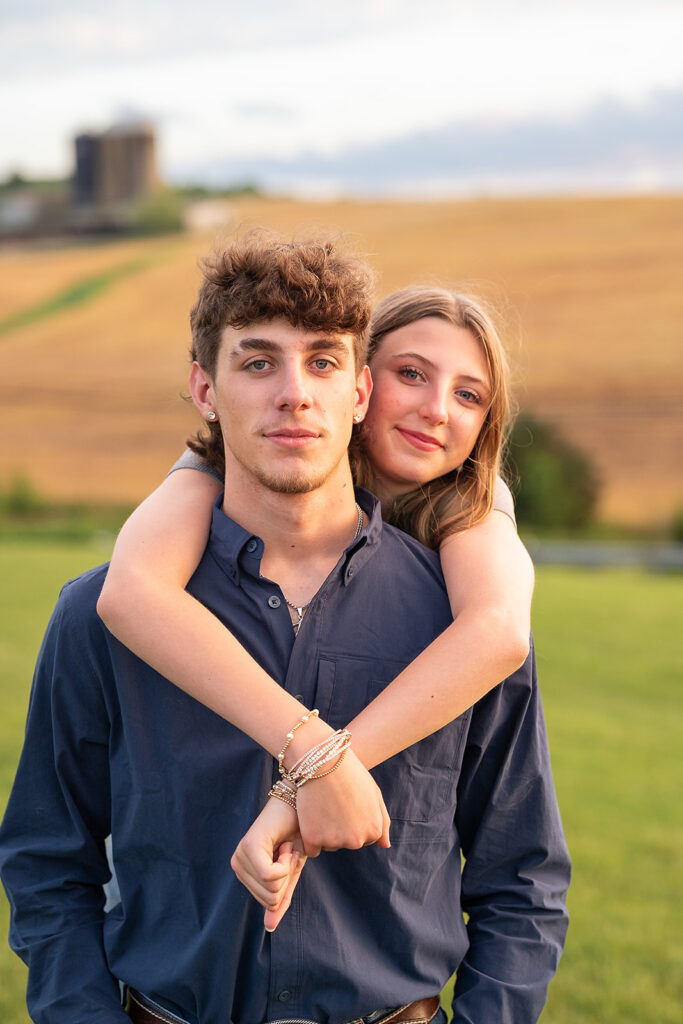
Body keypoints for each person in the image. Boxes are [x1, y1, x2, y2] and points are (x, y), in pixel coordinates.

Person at [0, 233, 570, 1024]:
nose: (294, 394)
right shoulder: (102, 615)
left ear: (359, 393)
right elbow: (45, 863)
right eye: (257, 362)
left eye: (325, 363)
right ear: (205, 388)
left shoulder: (461, 622)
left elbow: (522, 881)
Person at [96, 281, 536, 899]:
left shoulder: (476, 510)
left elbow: (500, 633)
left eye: (469, 395)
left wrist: (309, 777)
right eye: (411, 374)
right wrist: (316, 759)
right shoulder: (223, 468)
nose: (438, 409)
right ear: (359, 383)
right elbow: (129, 593)